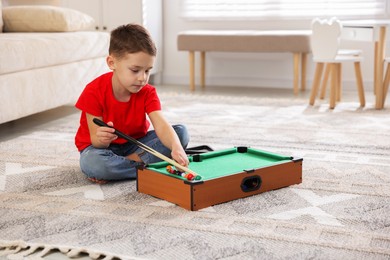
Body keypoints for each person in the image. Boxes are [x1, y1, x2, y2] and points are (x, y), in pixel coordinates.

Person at [74, 24, 190, 184]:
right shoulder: (94, 91)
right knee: (94, 163)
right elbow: (96, 141)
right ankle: (142, 166)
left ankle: (123, 167)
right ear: (112, 63)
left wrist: (176, 147)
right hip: (102, 150)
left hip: (136, 144)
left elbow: (161, 125)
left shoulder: (147, 91)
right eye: (135, 70)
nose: (142, 78)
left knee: (180, 133)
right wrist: (103, 138)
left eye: (147, 71)